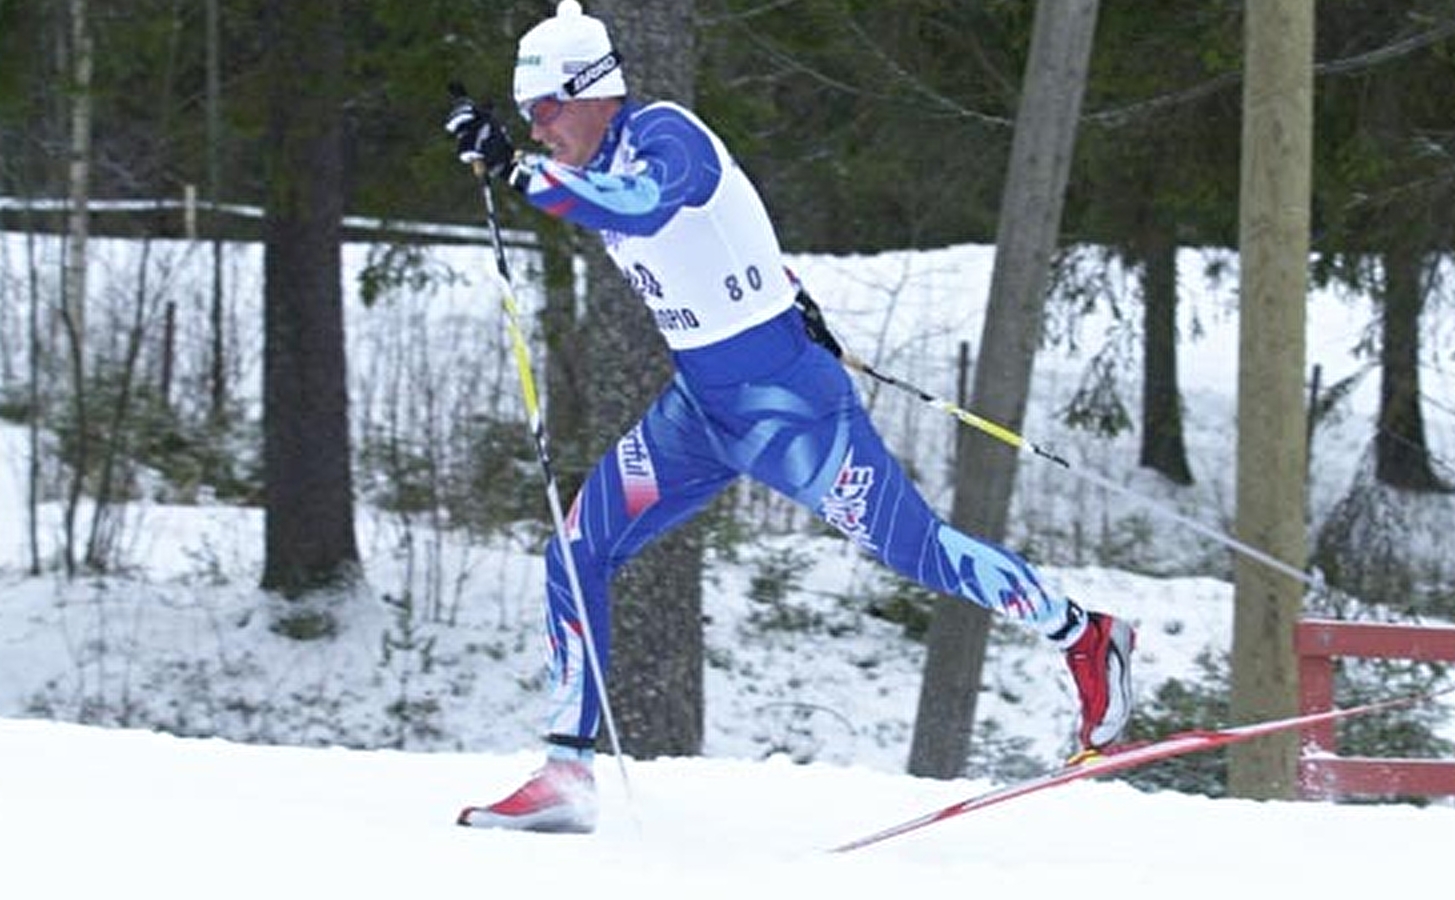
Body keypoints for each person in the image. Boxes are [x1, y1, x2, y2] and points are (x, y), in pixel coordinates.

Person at [446, 0, 1134, 834]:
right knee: (575, 549)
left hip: (790, 413)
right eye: (525, 117)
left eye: (545, 109)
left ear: (593, 91)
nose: (538, 127)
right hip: (699, 413)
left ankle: (1082, 633)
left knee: (914, 549)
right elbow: (719, 245)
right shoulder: (587, 168)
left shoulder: (669, 138)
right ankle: (566, 773)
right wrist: (793, 299)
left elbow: (643, 207)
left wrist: (521, 171)